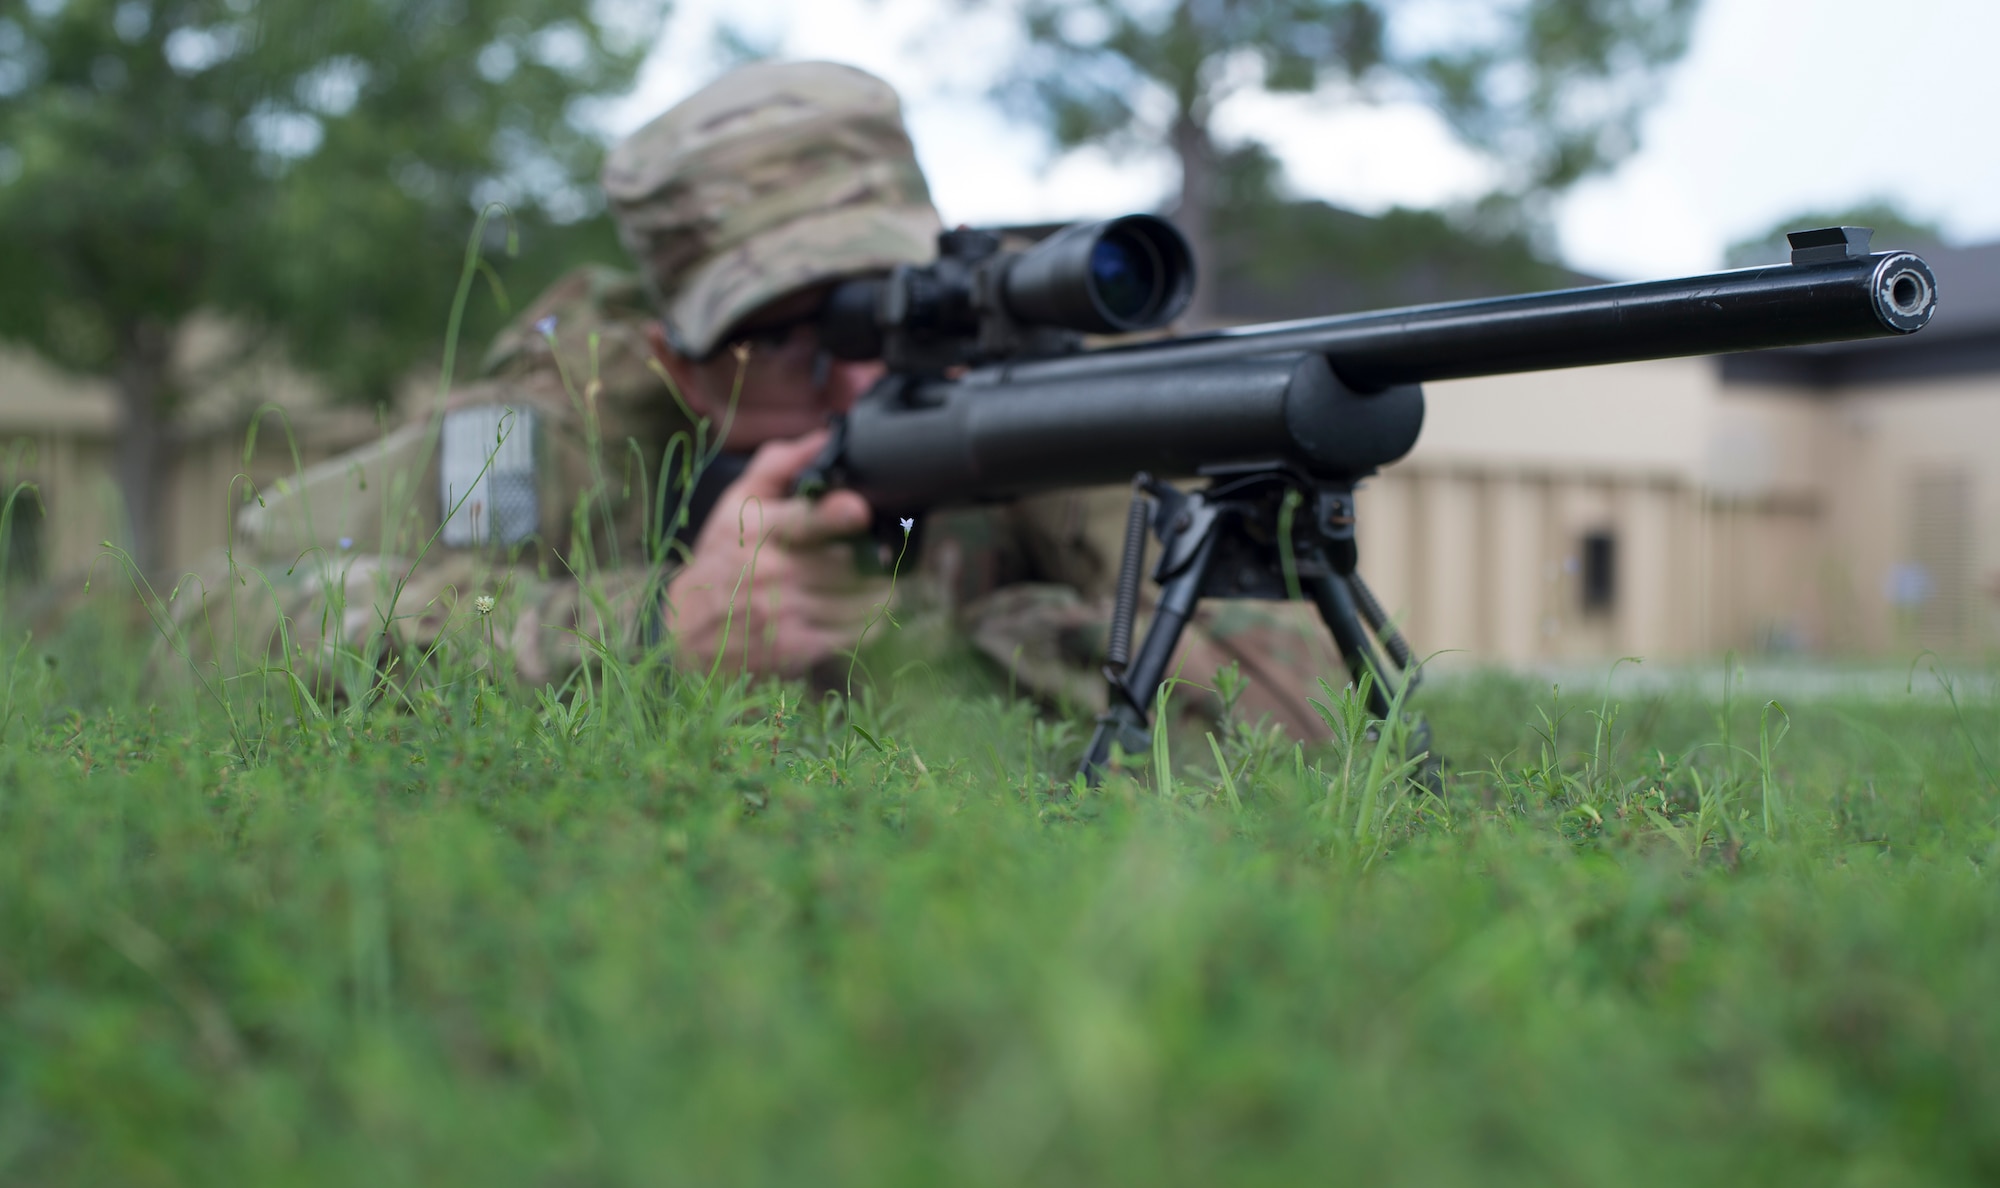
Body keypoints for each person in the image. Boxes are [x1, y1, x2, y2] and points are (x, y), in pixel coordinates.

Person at [171, 60, 1347, 735]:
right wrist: (644, 635)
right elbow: (221, 625)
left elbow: (1300, 688)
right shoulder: (553, 432)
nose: (852, 376)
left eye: (882, 316)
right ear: (676, 358)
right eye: (787, 339)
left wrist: (931, 653)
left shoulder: (1014, 413)